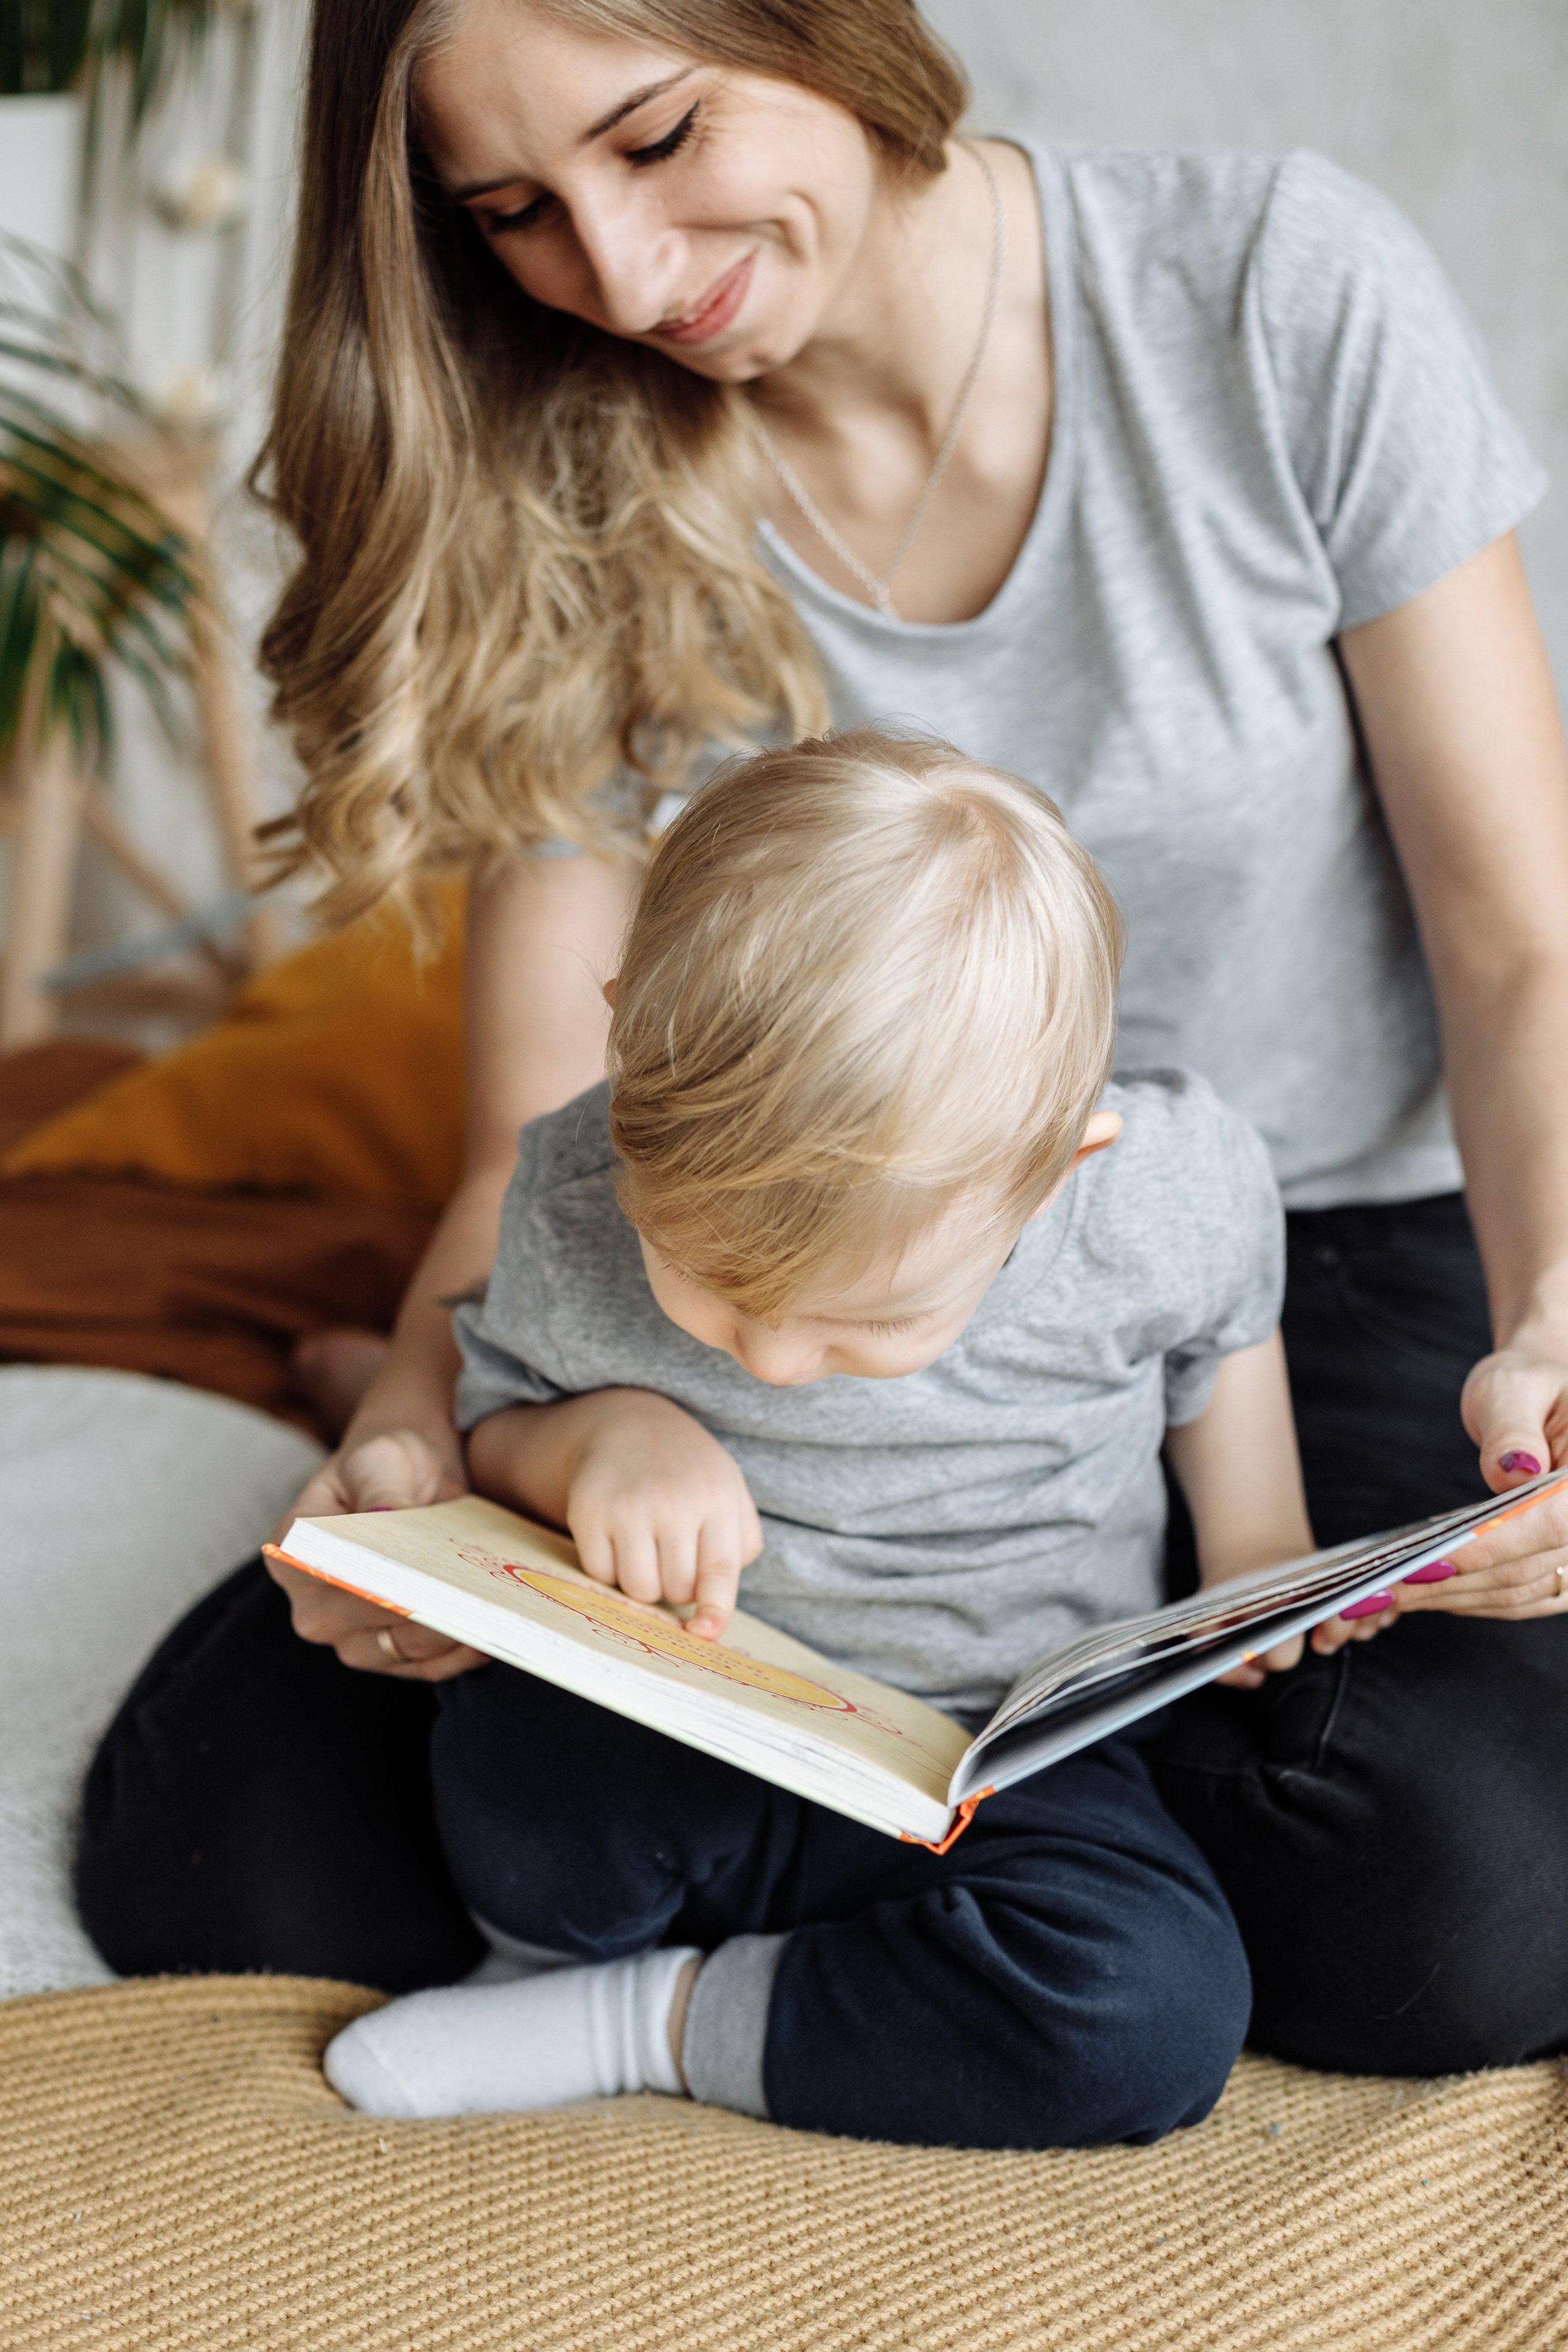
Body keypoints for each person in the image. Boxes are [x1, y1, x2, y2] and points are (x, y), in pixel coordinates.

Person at [77, 0, 1568, 2078]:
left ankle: (841, 1892)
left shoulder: (1268, 292)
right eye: (511, 212)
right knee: (232, 1877)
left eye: (662, 134)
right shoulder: (563, 459)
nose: (613, 272)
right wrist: (420, 1431)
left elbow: (1521, 943)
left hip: (1310, 1242)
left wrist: (1558, 1310)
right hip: (730, 1258)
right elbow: (549, 1155)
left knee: (1467, 1925)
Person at [320, 728, 1311, 2146]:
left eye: (864, 1324)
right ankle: (578, 1950)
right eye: (710, 1290)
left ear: (1056, 1172)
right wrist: (596, 1438)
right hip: (683, 1704)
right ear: (623, 1058)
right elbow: (489, 1434)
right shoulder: (575, 1182)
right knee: (518, 1798)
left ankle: (636, 2021)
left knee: (1147, 2014)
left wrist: (1255, 1536)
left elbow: (1226, 1332)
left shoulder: (1161, 1194)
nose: (776, 1363)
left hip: (998, 1756)